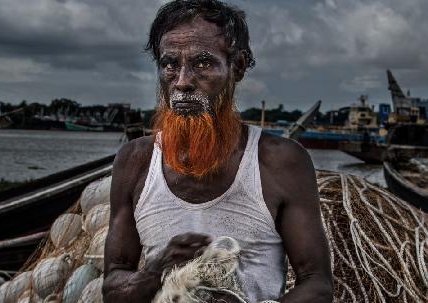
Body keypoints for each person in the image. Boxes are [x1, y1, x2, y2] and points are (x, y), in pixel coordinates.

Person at [102, 0, 333, 302]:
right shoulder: (135, 161)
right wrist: (155, 272)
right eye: (169, 64)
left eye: (202, 64)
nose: (182, 82)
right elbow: (113, 287)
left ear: (236, 66)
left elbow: (317, 285)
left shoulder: (281, 162)